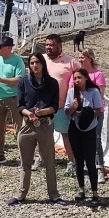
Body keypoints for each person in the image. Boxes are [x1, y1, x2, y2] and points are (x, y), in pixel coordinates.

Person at [6, 52, 64, 206]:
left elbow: (55, 106)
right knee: (25, 163)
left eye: (37, 62)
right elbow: (20, 105)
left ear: (42, 64)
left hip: (45, 125)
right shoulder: (23, 82)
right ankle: (21, 194)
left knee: (49, 162)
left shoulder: (52, 83)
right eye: (31, 63)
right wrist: (29, 113)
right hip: (27, 125)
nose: (34, 65)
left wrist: (43, 112)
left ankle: (54, 195)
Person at [39, 34, 79, 175]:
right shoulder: (41, 59)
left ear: (60, 46)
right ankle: (43, 159)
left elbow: (81, 79)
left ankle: (71, 162)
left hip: (61, 107)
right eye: (47, 45)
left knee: (65, 135)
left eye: (52, 45)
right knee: (43, 134)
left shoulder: (70, 62)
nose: (48, 47)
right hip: (43, 106)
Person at [64, 69, 104, 202]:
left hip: (90, 128)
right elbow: (67, 112)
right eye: (75, 78)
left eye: (79, 78)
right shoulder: (71, 92)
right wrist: (74, 108)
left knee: (90, 161)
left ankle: (94, 193)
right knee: (78, 161)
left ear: (86, 78)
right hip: (74, 128)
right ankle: (81, 189)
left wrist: (88, 114)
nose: (77, 81)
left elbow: (99, 109)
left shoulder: (94, 92)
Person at [0, 36, 25, 165]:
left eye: (0, 46)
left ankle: (23, 156)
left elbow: (19, 80)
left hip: (14, 98)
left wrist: (1, 80)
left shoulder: (17, 60)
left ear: (8, 48)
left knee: (19, 128)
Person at [73, 48, 107, 184]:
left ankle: (99, 168)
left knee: (96, 139)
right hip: (79, 113)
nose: (80, 60)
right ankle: (83, 167)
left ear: (90, 59)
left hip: (94, 113)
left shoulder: (98, 75)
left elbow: (100, 95)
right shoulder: (76, 74)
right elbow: (73, 91)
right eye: (79, 57)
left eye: (83, 57)